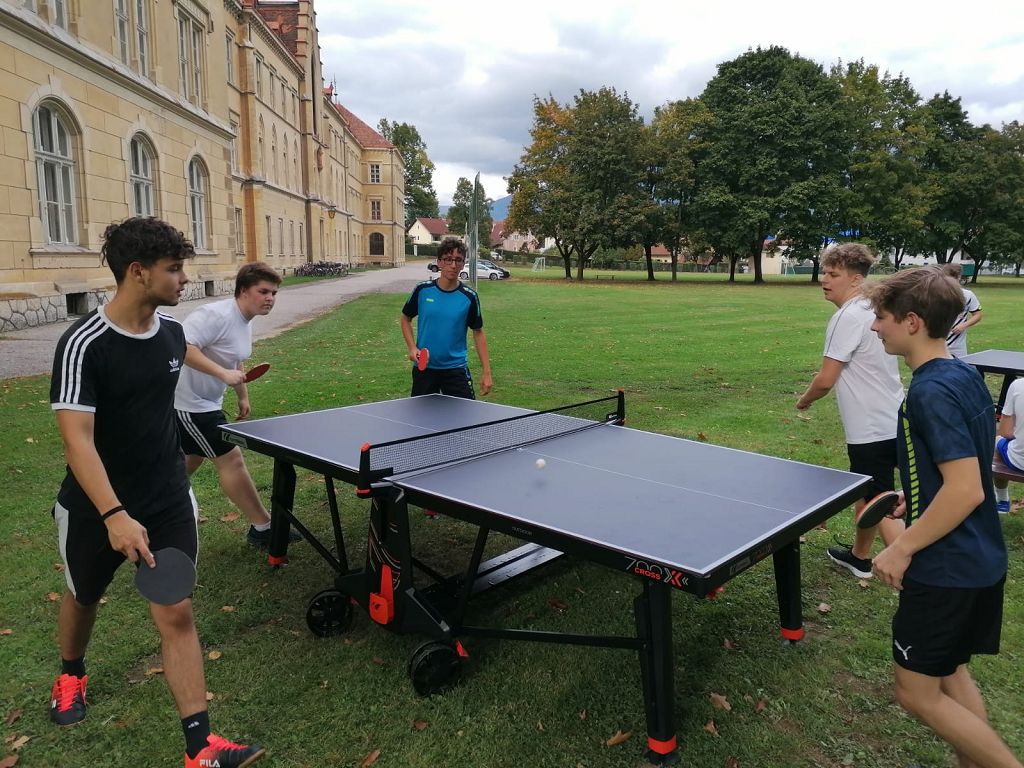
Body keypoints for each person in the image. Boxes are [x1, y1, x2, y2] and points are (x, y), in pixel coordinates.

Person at [48, 217, 264, 768]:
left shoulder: (170, 332)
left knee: (177, 610)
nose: (184, 278)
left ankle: (200, 747)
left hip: (166, 496)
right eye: (174, 268)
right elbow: (77, 441)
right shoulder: (84, 344)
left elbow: (185, 362)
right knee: (84, 596)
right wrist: (114, 514)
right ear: (138, 272)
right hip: (96, 506)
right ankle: (71, 673)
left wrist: (231, 379)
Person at [867, 267, 1019, 768]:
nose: (875, 327)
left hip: (946, 568)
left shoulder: (928, 392)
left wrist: (901, 547)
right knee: (950, 671)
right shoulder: (962, 373)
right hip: (980, 559)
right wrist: (919, 492)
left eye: (882, 317)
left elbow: (966, 489)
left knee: (916, 692)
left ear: (912, 321)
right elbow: (963, 461)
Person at [795, 243, 904, 579]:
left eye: (833, 274)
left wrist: (805, 400)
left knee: (879, 499)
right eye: (825, 272)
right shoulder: (873, 309)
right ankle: (859, 557)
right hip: (896, 416)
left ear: (856, 279)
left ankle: (913, 574)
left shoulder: (847, 316)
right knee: (869, 489)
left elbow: (826, 379)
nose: (824, 280)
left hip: (871, 426)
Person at [175, 262, 300, 548]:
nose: (270, 298)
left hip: (208, 401)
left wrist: (242, 394)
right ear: (243, 291)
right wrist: (222, 374)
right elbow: (182, 347)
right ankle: (263, 527)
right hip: (188, 404)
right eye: (263, 291)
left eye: (274, 293)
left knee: (191, 457)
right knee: (231, 459)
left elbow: (234, 360)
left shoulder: (245, 319)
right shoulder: (214, 315)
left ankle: (153, 499)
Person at [400, 236, 493, 398]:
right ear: (439, 262)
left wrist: (486, 373)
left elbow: (478, 332)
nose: (453, 265)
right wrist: (412, 348)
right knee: (421, 414)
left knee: (465, 414)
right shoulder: (422, 290)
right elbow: (405, 318)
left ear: (463, 264)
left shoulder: (469, 297)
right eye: (448, 259)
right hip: (425, 368)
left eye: (458, 260)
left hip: (456, 369)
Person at [938, 262, 982, 358]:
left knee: (960, 366)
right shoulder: (935, 294)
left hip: (958, 347)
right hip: (937, 343)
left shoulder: (968, 295)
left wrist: (963, 325)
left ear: (959, 278)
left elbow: (978, 315)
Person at [993, 377, 1023, 514]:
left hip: (1019, 461)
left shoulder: (1018, 385)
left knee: (997, 441)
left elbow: (1005, 432)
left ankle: (1002, 500)